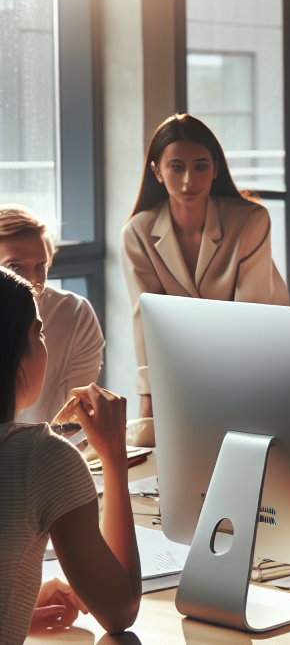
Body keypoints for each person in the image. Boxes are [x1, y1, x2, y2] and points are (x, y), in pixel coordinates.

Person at [0, 268, 142, 643]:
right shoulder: (42, 457)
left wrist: (16, 607)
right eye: (39, 331)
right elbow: (120, 611)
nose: (46, 341)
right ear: (15, 354)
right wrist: (114, 456)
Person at [122, 114, 289, 418]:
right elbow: (147, 322)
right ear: (157, 172)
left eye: (200, 166)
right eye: (176, 167)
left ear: (215, 169)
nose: (189, 180)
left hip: (260, 365)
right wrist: (148, 398)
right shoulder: (137, 233)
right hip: (185, 372)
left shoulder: (251, 220)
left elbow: (250, 320)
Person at [0, 205, 104, 425]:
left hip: (49, 451)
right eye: (15, 266)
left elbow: (74, 416)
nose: (33, 281)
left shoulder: (75, 314)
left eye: (41, 266)